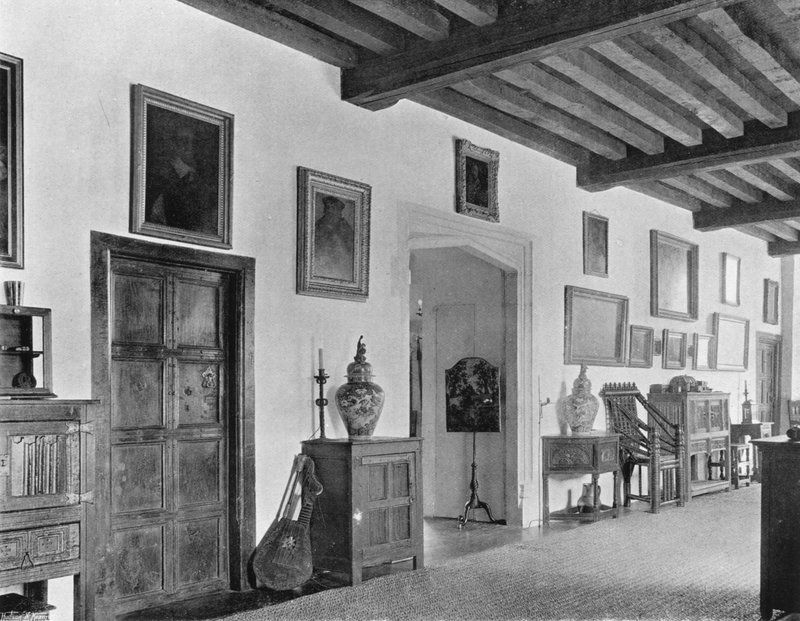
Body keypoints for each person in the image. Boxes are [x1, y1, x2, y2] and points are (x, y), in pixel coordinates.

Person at [145, 123, 216, 234]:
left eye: (194, 142)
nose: (189, 146)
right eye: (184, 141)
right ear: (173, 145)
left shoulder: (199, 177)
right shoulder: (162, 175)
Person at [314, 195, 354, 281]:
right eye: (328, 208)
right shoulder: (319, 224)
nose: (329, 210)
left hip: (340, 262)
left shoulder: (344, 225)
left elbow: (351, 246)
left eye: (333, 208)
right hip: (323, 261)